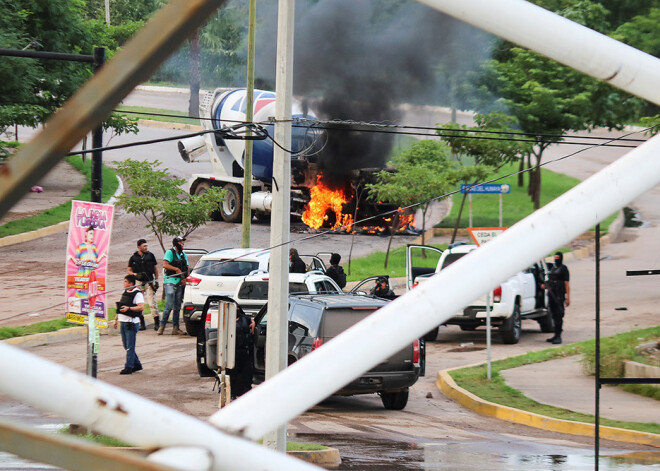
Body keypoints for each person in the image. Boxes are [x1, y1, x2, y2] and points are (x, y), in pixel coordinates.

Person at [114, 275, 144, 375]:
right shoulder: (126, 292)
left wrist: (129, 308)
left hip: (131, 322)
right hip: (123, 321)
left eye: (125, 282)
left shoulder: (137, 293)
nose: (124, 283)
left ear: (131, 283)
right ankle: (137, 364)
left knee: (130, 346)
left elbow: (141, 307)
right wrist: (116, 318)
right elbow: (121, 305)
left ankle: (129, 367)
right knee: (126, 345)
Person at [127, 238, 160, 331]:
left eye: (146, 246)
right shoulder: (133, 258)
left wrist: (156, 281)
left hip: (149, 282)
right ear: (139, 247)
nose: (146, 247)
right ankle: (142, 323)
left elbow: (156, 268)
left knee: (152, 303)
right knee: (139, 303)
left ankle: (157, 322)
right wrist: (135, 274)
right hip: (139, 282)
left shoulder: (150, 255)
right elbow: (129, 270)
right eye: (144, 246)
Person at [159, 236, 190, 336]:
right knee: (170, 304)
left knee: (177, 306)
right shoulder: (170, 253)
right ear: (176, 244)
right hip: (170, 281)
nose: (183, 244)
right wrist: (176, 269)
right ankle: (162, 326)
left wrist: (186, 278)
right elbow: (165, 265)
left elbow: (187, 267)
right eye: (181, 242)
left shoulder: (183, 255)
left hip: (180, 282)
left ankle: (175, 328)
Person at [70, 225, 106, 299]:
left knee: (91, 294)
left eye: (93, 234)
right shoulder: (80, 246)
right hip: (82, 274)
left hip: (92, 274)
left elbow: (96, 261)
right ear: (86, 234)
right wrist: (71, 257)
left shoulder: (94, 247)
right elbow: (77, 262)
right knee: (81, 294)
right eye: (90, 234)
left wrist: (102, 256)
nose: (92, 236)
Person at [227, 307, 255, 400]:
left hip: (244, 350)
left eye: (237, 308)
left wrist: (253, 323)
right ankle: (233, 393)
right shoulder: (227, 320)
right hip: (233, 351)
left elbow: (251, 320)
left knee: (247, 373)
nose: (236, 310)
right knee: (233, 373)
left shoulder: (244, 319)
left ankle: (246, 392)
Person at [543, 252, 570, 344]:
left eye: (558, 257)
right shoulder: (552, 268)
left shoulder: (563, 269)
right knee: (553, 315)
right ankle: (555, 335)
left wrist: (568, 298)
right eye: (555, 257)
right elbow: (550, 280)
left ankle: (558, 336)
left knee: (559, 315)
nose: (556, 259)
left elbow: (566, 284)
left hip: (559, 295)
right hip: (551, 294)